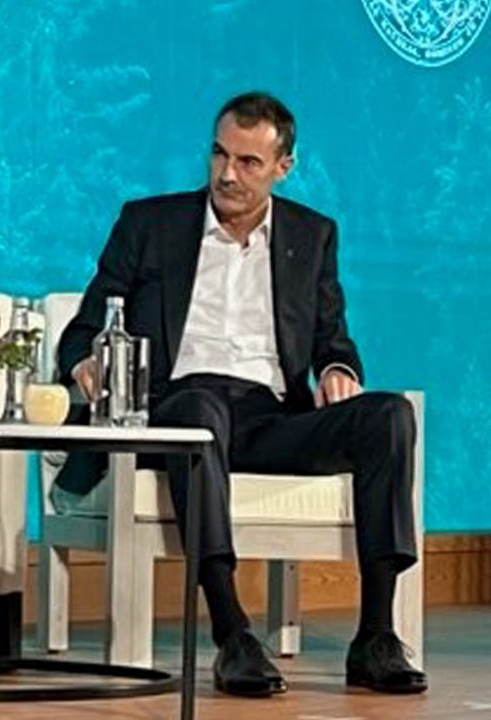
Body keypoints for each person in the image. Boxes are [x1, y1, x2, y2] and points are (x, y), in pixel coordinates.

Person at [54, 91, 426, 698]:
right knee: (200, 412)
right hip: (177, 408)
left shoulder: (313, 235)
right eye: (220, 154)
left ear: (284, 166)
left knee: (388, 415)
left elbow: (333, 336)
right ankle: (232, 633)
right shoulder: (149, 223)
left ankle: (376, 635)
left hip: (271, 416)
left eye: (249, 162)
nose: (228, 173)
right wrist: (88, 364)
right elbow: (83, 331)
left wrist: (337, 368)